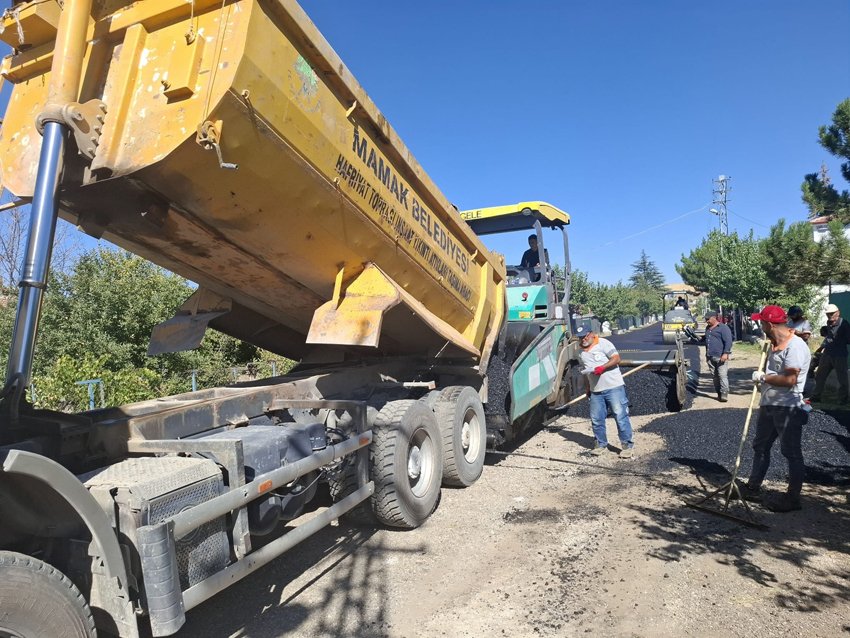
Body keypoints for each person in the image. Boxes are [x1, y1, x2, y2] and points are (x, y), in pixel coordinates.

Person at [738, 305, 811, 512]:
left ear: (769, 324)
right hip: (769, 405)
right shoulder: (774, 342)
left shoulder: (795, 347)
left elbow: (790, 380)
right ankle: (753, 487)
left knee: (791, 452)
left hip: (787, 408)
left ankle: (793, 499)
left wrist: (764, 377)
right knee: (760, 446)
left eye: (761, 322)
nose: (759, 325)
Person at [575, 325, 634, 459]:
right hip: (596, 391)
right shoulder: (580, 352)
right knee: (596, 419)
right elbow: (585, 372)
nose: (583, 339)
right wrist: (588, 388)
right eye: (580, 337)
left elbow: (616, 358)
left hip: (614, 387)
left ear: (591, 334)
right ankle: (601, 445)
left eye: (585, 336)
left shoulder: (603, 343)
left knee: (620, 417)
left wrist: (602, 367)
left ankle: (627, 446)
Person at [810, 303, 850, 403]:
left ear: (838, 313)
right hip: (827, 354)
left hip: (840, 355)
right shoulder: (829, 323)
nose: (829, 315)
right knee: (820, 375)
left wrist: (840, 339)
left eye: (832, 313)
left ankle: (843, 399)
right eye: (828, 314)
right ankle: (816, 396)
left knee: (842, 379)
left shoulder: (844, 324)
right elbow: (828, 337)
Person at [703, 310, 733, 402]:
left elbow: (728, 341)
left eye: (708, 319)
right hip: (710, 356)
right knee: (715, 377)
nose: (706, 321)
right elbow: (706, 340)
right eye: (706, 319)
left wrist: (726, 353)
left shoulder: (723, 328)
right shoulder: (708, 328)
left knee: (722, 375)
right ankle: (719, 393)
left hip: (720, 356)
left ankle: (724, 394)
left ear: (714, 318)